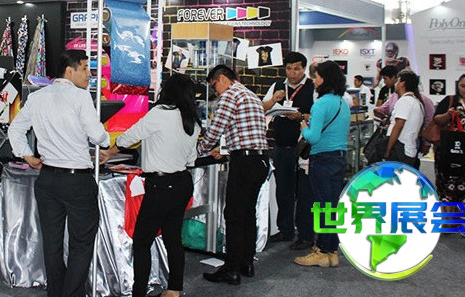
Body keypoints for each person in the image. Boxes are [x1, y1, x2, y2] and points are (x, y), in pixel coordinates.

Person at [8, 49, 110, 297]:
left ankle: (56, 292)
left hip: (48, 179)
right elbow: (98, 136)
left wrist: (27, 156)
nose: (89, 74)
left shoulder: (37, 97)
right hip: (77, 181)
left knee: (52, 244)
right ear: (69, 71)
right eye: (85, 69)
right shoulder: (81, 97)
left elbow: (15, 129)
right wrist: (106, 140)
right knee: (81, 243)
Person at [100, 74, 199, 297]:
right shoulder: (192, 120)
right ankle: (174, 289)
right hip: (182, 183)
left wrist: (110, 152)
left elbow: (130, 137)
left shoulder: (160, 113)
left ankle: (139, 292)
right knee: (173, 238)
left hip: (161, 185)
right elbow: (191, 159)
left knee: (142, 241)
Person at [198, 65, 269, 286]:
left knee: (234, 215)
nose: (215, 92)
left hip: (244, 163)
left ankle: (231, 269)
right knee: (248, 213)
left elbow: (216, 129)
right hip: (260, 160)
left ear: (221, 79)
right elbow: (245, 132)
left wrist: (198, 151)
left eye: (214, 86)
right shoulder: (250, 95)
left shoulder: (229, 96)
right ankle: (246, 263)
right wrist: (225, 149)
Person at [294, 61, 351, 268]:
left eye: (317, 76)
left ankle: (322, 250)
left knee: (322, 206)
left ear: (325, 79)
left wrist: (303, 126)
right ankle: (331, 251)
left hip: (322, 158)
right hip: (339, 157)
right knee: (332, 206)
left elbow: (313, 137)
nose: (314, 80)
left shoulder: (320, 104)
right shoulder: (343, 102)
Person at [261, 51, 315, 251]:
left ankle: (306, 234)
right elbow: (262, 108)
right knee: (283, 189)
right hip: (281, 146)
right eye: (289, 69)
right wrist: (274, 101)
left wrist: (301, 116)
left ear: (304, 69)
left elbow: (318, 116)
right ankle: (285, 229)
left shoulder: (312, 88)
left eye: (297, 69)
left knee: (304, 192)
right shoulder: (277, 86)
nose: (292, 73)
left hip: (304, 148)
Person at [432, 73, 465, 226]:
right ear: (458, 86)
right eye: (463, 86)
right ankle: (447, 220)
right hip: (448, 150)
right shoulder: (450, 101)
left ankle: (457, 217)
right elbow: (436, 119)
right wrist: (448, 115)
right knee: (447, 183)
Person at [384, 70, 424, 168]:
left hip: (400, 150)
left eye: (397, 81)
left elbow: (398, 126)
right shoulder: (417, 102)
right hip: (409, 149)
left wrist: (388, 150)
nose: (395, 84)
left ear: (402, 83)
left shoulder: (405, 101)